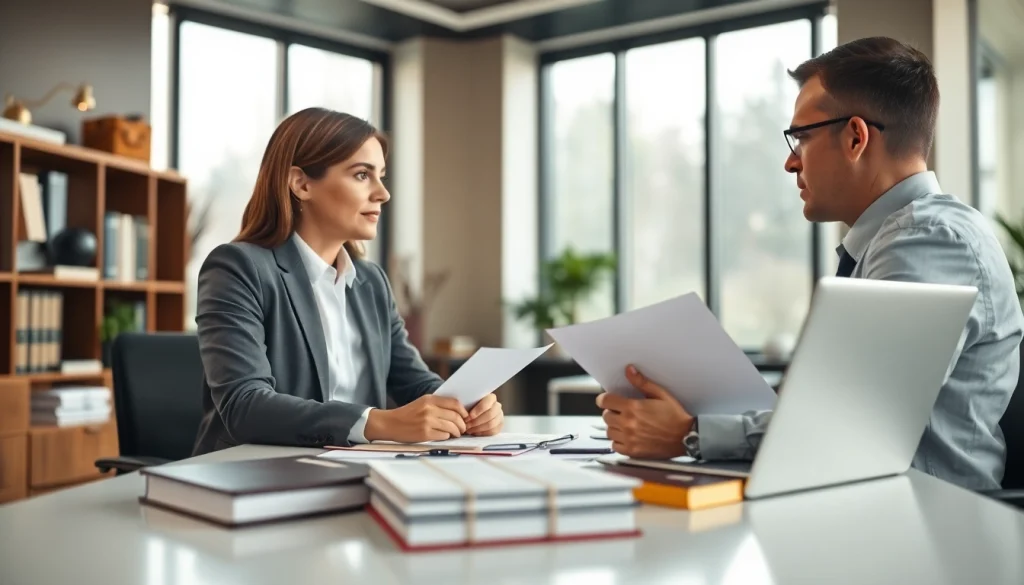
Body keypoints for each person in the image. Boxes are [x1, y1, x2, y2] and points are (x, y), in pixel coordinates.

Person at [597, 37, 1024, 491]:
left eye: (801, 136)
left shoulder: (928, 240)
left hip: (924, 527)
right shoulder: (896, 240)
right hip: (872, 508)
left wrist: (689, 432)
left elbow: (853, 423)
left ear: (856, 137)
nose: (789, 161)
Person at [192, 107, 503, 455]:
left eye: (381, 176)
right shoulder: (237, 268)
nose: (382, 193)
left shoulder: (371, 282)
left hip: (356, 468)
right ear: (302, 183)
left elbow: (413, 380)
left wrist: (466, 406)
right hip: (250, 473)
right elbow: (245, 405)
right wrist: (378, 423)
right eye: (361, 175)